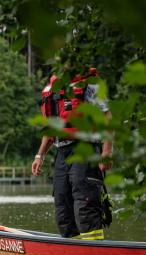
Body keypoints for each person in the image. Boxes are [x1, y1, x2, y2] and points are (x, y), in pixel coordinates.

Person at [32, 68, 113, 240]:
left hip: (86, 148)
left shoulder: (90, 84)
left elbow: (107, 117)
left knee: (85, 202)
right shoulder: (55, 87)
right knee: (62, 205)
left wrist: (106, 152)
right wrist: (40, 156)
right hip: (62, 152)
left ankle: (94, 250)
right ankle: (73, 251)